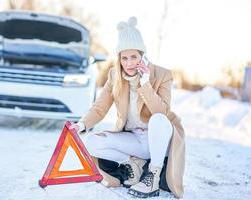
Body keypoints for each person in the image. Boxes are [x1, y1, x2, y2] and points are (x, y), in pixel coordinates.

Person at [70, 16, 185, 198]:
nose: (129, 63)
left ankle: (153, 176)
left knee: (158, 119)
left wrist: (145, 85)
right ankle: (134, 164)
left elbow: (163, 113)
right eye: (125, 58)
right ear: (119, 58)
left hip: (158, 139)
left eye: (134, 57)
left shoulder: (163, 75)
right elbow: (100, 107)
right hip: (134, 140)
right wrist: (81, 125)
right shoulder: (115, 75)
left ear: (142, 56)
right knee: (90, 142)